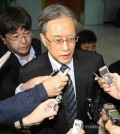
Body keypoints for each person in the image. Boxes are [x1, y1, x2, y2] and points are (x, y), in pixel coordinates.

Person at [19, 4, 105, 134]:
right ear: (43, 39)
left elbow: (101, 100)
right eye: (57, 40)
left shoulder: (94, 61)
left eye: (71, 39)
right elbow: (37, 126)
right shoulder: (29, 74)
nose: (66, 48)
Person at [0, 6, 42, 100]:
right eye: (15, 36)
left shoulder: (36, 44)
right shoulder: (2, 60)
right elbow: (8, 94)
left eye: (27, 33)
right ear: (3, 39)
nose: (24, 41)